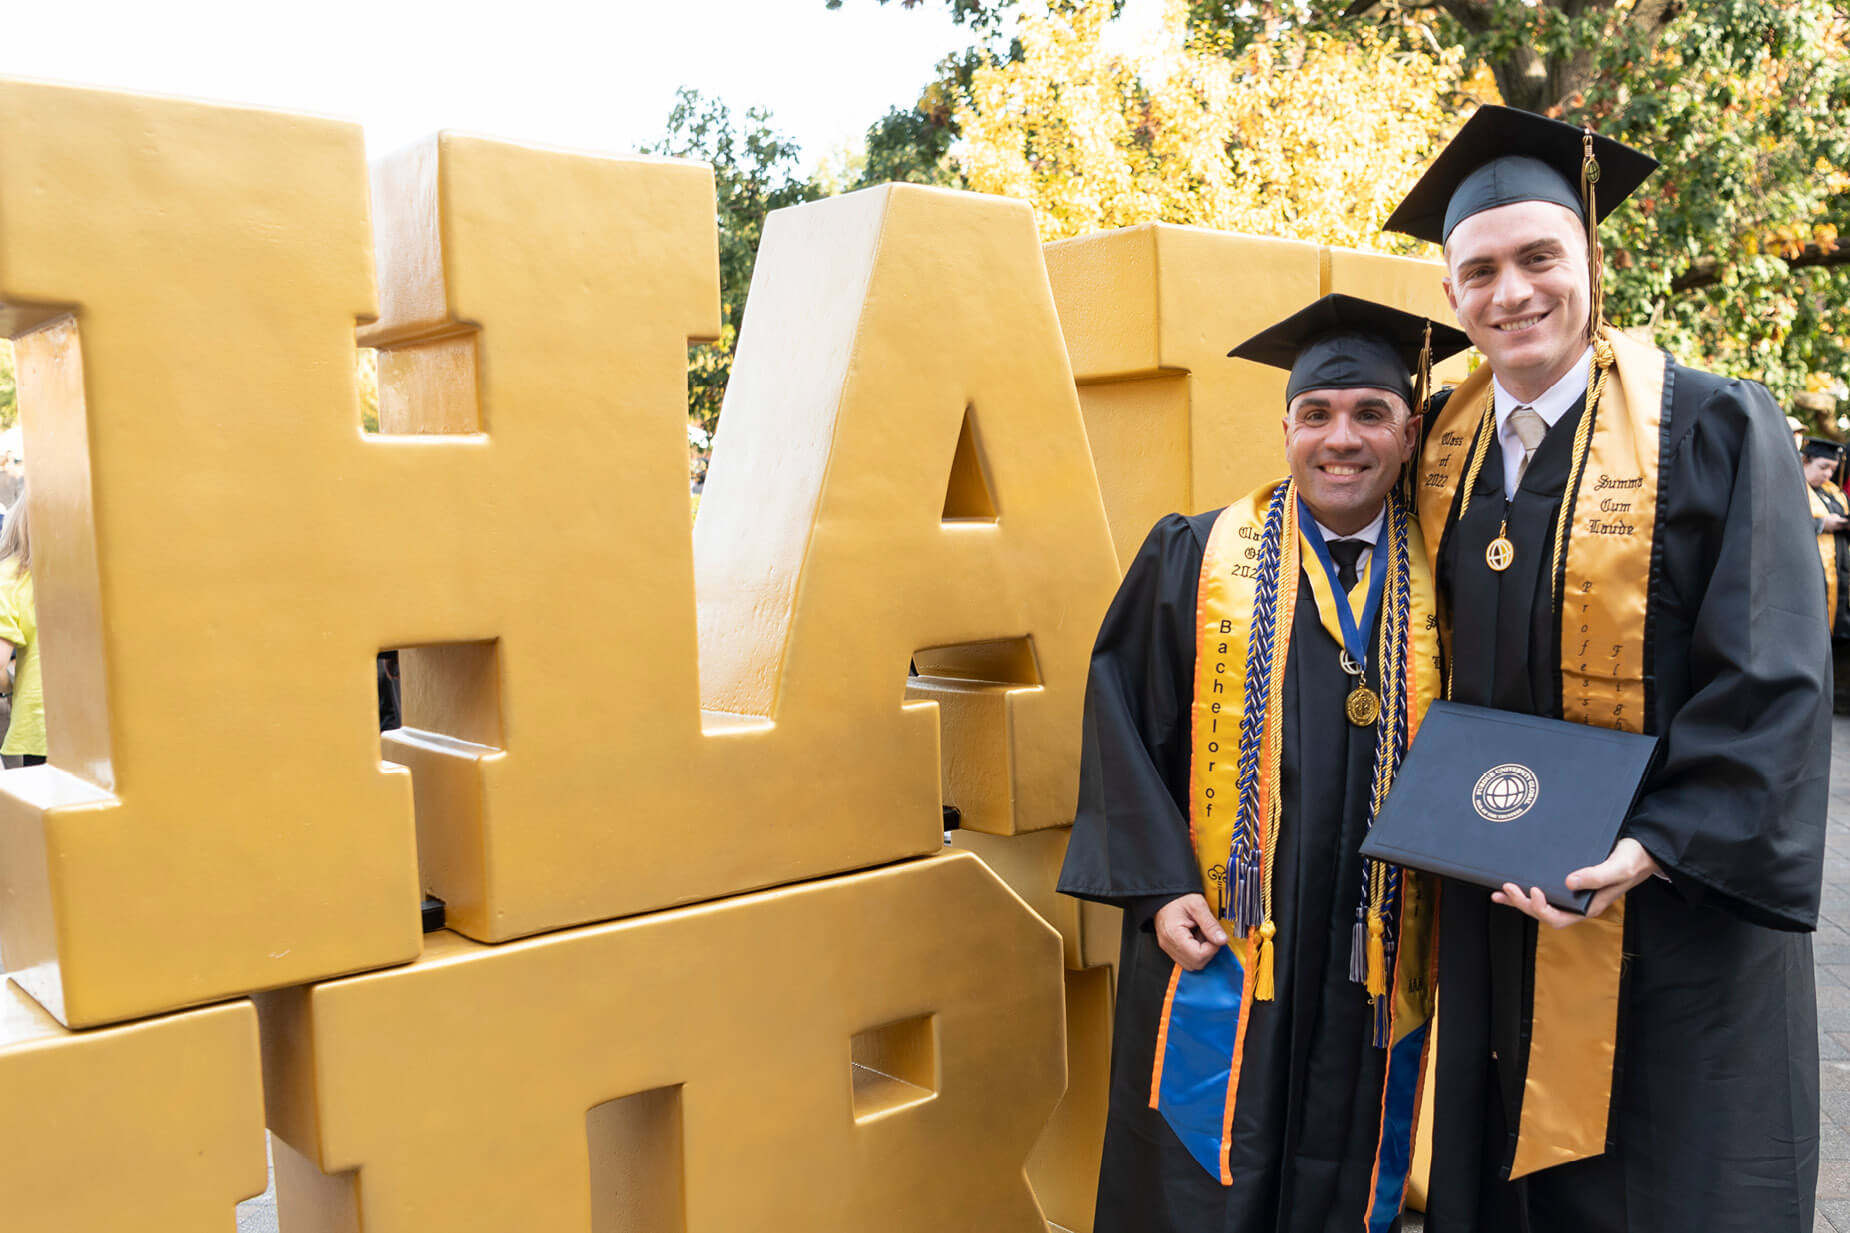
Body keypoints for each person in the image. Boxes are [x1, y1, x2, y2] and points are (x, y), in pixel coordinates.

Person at [1384, 105, 1829, 1233]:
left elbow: (1772, 669)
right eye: (1478, 270)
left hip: (1665, 913)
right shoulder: (1435, 451)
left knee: (1665, 1184)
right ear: (1449, 296)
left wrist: (1654, 845)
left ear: (1593, 261)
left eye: (1540, 258)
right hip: (1497, 902)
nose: (1512, 292)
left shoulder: (1714, 426)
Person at [1058, 294, 1471, 1233]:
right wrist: (1160, 891)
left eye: (1371, 413)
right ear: (1284, 426)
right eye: (1317, 415)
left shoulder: (1448, 581)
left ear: (1409, 433)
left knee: (1347, 1160)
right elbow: (1122, 724)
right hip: (1222, 939)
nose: (1342, 439)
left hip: (1371, 946)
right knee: (1205, 1175)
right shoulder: (1199, 559)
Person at [1803, 436, 1850, 711]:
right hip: (1811, 579)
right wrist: (1821, 525)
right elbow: (1781, 524)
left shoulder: (1832, 491)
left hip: (1838, 578)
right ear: (1805, 461)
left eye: (1832, 469)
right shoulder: (1793, 487)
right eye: (1822, 467)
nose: (1828, 474)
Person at [0, 482, 45, 767]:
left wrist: (7, 689)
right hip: (106, 723)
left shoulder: (11, 575)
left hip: (41, 723)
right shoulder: (95, 571)